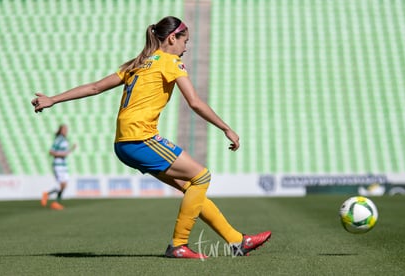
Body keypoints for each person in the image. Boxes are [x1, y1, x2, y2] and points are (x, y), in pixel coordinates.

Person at [32, 16, 271, 258]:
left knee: (191, 187)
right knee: (201, 177)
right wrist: (226, 128)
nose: (186, 47)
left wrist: (53, 99)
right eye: (184, 41)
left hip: (124, 143)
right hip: (140, 138)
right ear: (171, 38)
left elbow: (95, 87)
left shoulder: (138, 62)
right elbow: (195, 102)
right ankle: (179, 245)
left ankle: (237, 241)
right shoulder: (170, 61)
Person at [41, 124, 76, 210]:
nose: (66, 131)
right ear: (60, 130)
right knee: (62, 184)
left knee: (64, 185)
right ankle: (53, 200)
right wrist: (61, 154)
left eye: (66, 129)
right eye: (64, 129)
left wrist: (71, 149)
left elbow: (65, 152)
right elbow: (51, 151)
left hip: (64, 165)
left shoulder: (65, 140)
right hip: (58, 164)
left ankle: (50, 197)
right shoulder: (58, 140)